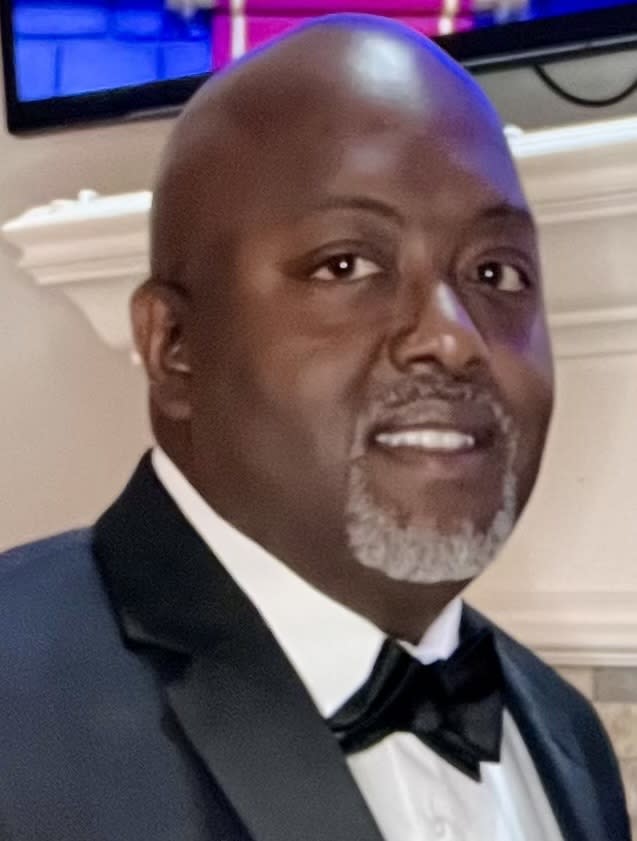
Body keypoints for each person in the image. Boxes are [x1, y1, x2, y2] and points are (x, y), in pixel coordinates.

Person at [0, 14, 629, 841]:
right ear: (174, 345)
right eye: (345, 264)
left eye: (495, 271)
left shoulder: (566, 735)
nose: (453, 340)